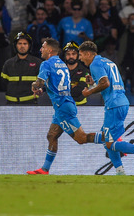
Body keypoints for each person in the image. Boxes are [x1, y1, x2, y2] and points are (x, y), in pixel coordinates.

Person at [78, 40, 134, 175]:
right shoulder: (108, 62)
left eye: (80, 55)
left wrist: (89, 91)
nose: (80, 58)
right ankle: (120, 171)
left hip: (114, 105)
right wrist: (93, 83)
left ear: (87, 53)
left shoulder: (95, 64)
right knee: (106, 138)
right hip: (121, 101)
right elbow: (108, 82)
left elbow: (105, 83)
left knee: (109, 143)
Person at [26, 38, 97, 175]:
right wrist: (44, 89)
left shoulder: (46, 64)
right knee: (52, 136)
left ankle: (111, 139)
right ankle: (45, 169)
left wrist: (34, 86)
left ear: (50, 50)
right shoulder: (62, 65)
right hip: (63, 105)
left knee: (81, 138)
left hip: (63, 107)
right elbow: (57, 84)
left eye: (43, 47)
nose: (41, 49)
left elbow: (39, 82)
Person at [1, 32, 42, 104]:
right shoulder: (8, 63)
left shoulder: (37, 63)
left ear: (29, 46)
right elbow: (3, 84)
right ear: (15, 45)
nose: (22, 46)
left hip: (31, 103)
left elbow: (42, 83)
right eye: (19, 43)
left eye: (25, 44)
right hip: (11, 104)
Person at [63, 41, 89, 105]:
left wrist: (66, 88)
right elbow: (56, 89)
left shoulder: (85, 70)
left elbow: (80, 90)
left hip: (80, 105)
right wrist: (73, 86)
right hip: (64, 105)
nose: (71, 56)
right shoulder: (60, 70)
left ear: (78, 55)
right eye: (68, 54)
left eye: (73, 54)